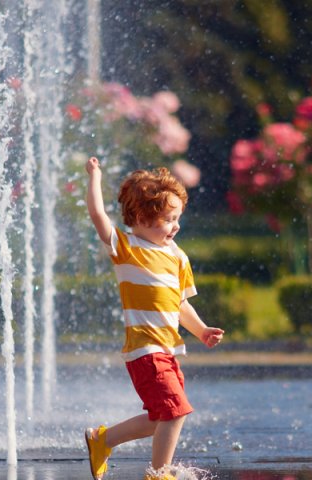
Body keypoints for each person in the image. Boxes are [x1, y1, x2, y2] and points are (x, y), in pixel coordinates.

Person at [83, 156, 225, 480]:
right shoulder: (126, 248)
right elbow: (97, 215)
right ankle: (159, 474)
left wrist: (201, 331)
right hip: (145, 351)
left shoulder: (177, 256)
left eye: (177, 218)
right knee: (176, 411)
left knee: (161, 416)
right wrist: (95, 175)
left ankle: (101, 440)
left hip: (168, 349)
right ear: (141, 218)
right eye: (167, 219)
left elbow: (179, 304)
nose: (175, 225)